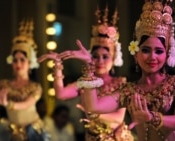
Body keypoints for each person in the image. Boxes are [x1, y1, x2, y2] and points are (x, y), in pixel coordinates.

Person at [68, 1, 175, 141]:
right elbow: (94, 106)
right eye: (145, 50)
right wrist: (89, 67)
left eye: (159, 51)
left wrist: (151, 117)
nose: (152, 57)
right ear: (135, 53)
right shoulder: (129, 91)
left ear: (167, 54)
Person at [38, 5, 133, 141]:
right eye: (95, 56)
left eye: (105, 56)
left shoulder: (121, 83)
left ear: (113, 59)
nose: (100, 61)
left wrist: (92, 112)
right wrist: (58, 65)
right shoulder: (85, 83)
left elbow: (118, 118)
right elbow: (61, 93)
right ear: (89, 57)